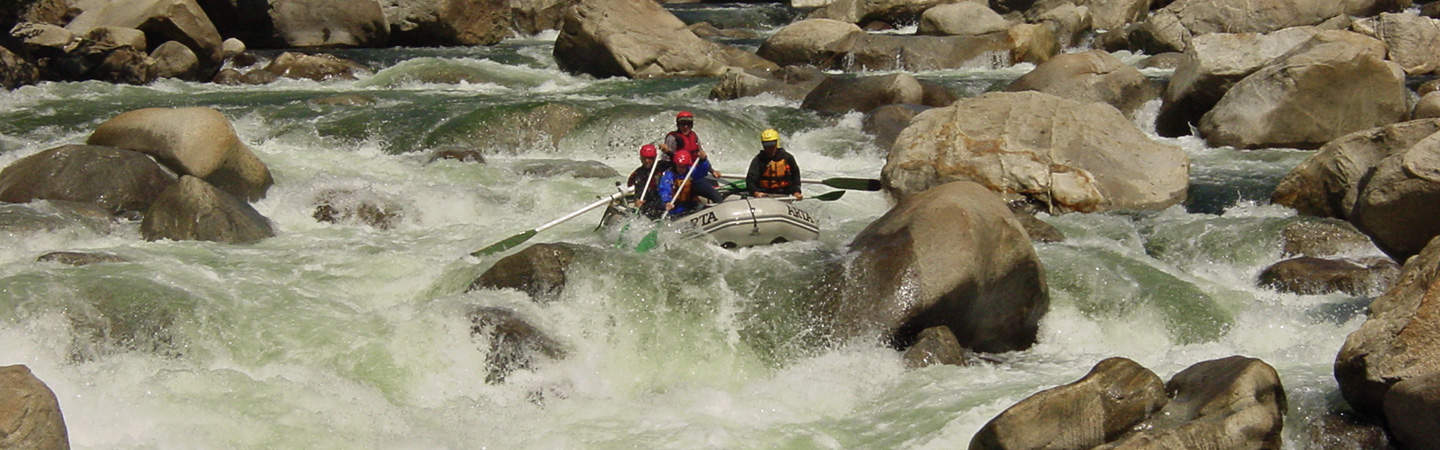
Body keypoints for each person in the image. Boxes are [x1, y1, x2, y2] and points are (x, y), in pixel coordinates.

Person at [661, 111, 725, 203]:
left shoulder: (694, 136)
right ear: (678, 125)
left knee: (713, 185)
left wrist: (712, 171)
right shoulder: (672, 138)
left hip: (694, 173)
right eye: (683, 124)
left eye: (688, 124)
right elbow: (666, 163)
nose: (686, 127)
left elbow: (701, 156)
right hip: (680, 176)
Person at [658, 151, 721, 218]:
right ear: (676, 164)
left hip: (691, 205)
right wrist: (667, 201)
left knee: (700, 184)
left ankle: (720, 203)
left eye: (683, 167)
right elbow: (664, 189)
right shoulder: (669, 176)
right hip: (676, 209)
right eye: (679, 166)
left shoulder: (691, 171)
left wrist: (703, 160)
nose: (681, 169)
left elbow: (702, 171)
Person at [745, 128, 803, 200]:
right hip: (764, 195)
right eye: (766, 145)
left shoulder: (787, 158)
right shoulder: (758, 160)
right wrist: (755, 192)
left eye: (772, 144)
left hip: (783, 195)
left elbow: (795, 178)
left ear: (777, 143)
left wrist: (796, 192)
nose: (769, 148)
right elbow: (750, 180)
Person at [626, 144, 666, 218]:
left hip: (663, 199)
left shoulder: (662, 166)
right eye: (644, 158)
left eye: (650, 158)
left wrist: (667, 152)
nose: (647, 161)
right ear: (641, 158)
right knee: (649, 209)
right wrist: (637, 200)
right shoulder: (637, 174)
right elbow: (637, 190)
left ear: (654, 158)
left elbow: (677, 164)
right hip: (649, 203)